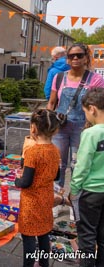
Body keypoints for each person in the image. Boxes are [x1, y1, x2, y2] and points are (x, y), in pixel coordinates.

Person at [47, 44, 104, 191]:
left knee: (78, 164)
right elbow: (52, 102)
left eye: (79, 55)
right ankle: (57, 197)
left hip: (83, 128)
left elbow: (98, 105)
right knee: (57, 164)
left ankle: (75, 198)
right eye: (72, 56)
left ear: (86, 58)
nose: (75, 58)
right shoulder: (59, 77)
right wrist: (47, 124)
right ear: (67, 59)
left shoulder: (96, 79)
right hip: (60, 127)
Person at [15, 109, 61, 267]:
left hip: (31, 202)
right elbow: (57, 176)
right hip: (46, 198)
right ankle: (44, 263)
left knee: (28, 235)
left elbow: (26, 181)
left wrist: (16, 181)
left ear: (33, 128)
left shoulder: (32, 152)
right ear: (54, 130)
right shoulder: (55, 150)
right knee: (43, 233)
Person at [70, 88, 104, 267]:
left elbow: (82, 166)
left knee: (87, 238)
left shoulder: (91, 134)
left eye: (85, 112)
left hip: (91, 192)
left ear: (92, 109)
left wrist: (74, 190)